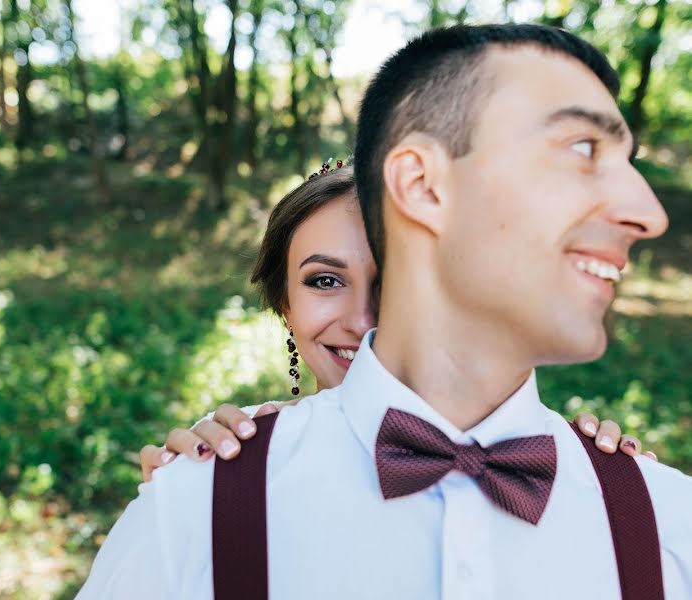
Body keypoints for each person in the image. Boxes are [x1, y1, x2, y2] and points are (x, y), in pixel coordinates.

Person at [78, 24, 692, 599]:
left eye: (391, 274)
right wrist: (206, 492)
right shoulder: (197, 506)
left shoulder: (660, 518)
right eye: (579, 149)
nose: (648, 214)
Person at [138, 165, 652, 481]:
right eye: (324, 281)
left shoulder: (565, 465)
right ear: (284, 304)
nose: (363, 319)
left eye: (396, 281)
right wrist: (182, 503)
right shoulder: (227, 465)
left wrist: (611, 487)